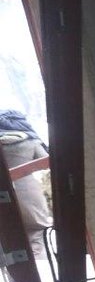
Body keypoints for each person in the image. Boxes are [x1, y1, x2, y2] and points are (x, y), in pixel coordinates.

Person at [0, 109, 52, 258]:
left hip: (3, 197)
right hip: (29, 195)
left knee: (8, 237)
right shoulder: (31, 141)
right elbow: (46, 162)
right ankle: (40, 264)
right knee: (37, 232)